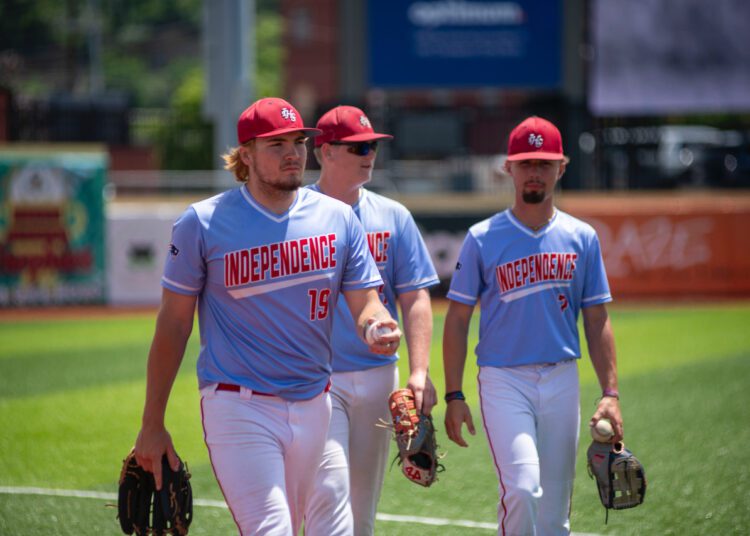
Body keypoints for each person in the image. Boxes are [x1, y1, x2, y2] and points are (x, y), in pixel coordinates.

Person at [133, 97, 402, 536]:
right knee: (272, 529)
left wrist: (376, 323)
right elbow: (174, 324)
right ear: (246, 154)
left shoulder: (338, 218)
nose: (292, 153)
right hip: (240, 406)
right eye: (276, 144)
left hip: (317, 402)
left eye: (298, 142)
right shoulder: (202, 222)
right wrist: (152, 423)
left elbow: (366, 301)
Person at [443, 116, 623, 535]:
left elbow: (597, 319)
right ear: (509, 168)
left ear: (562, 167)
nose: (535, 171)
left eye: (544, 162)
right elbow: (457, 320)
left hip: (562, 378)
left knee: (555, 514)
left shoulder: (582, 237)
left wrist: (610, 393)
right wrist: (454, 394)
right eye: (526, 163)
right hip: (504, 379)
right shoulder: (482, 237)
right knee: (523, 489)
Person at [304, 105, 440, 536]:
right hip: (317, 379)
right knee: (328, 492)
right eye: (358, 147)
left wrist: (419, 371)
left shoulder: (393, 215)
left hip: (380, 376)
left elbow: (415, 296)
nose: (370, 155)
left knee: (362, 511)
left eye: (373, 147)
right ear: (326, 151)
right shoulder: (296, 215)